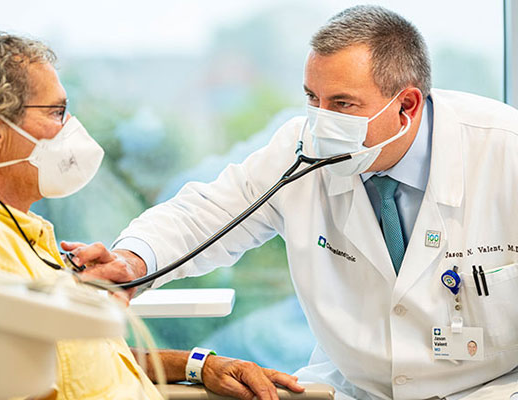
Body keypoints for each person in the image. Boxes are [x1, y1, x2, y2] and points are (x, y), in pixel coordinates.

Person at [66, 5, 518, 400]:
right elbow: (207, 214)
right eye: (312, 99)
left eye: (342, 103)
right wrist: (133, 261)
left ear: (407, 105)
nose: (321, 122)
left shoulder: (504, 152)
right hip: (352, 389)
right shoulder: (298, 152)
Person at [0, 32, 305, 400]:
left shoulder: (15, 232)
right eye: (56, 112)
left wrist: (196, 365)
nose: (71, 129)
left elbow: (71, 362)